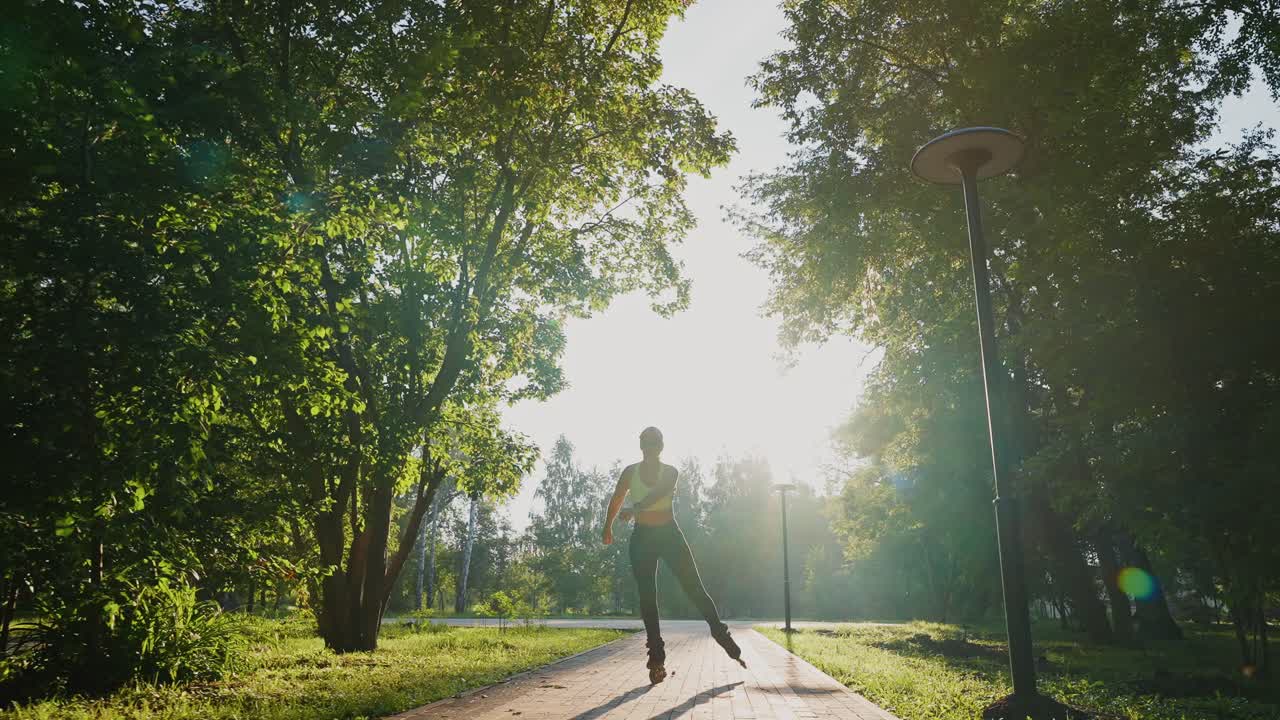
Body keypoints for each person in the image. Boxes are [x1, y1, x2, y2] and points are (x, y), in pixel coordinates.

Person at [602, 426, 744, 684]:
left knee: (694, 587)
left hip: (669, 535)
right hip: (642, 537)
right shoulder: (630, 472)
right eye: (646, 444)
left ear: (661, 447)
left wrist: (635, 508)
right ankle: (656, 656)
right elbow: (616, 498)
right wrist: (607, 525)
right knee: (647, 596)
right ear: (641, 446)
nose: (650, 448)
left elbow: (659, 492)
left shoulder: (671, 472)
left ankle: (720, 633)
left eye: (653, 444)